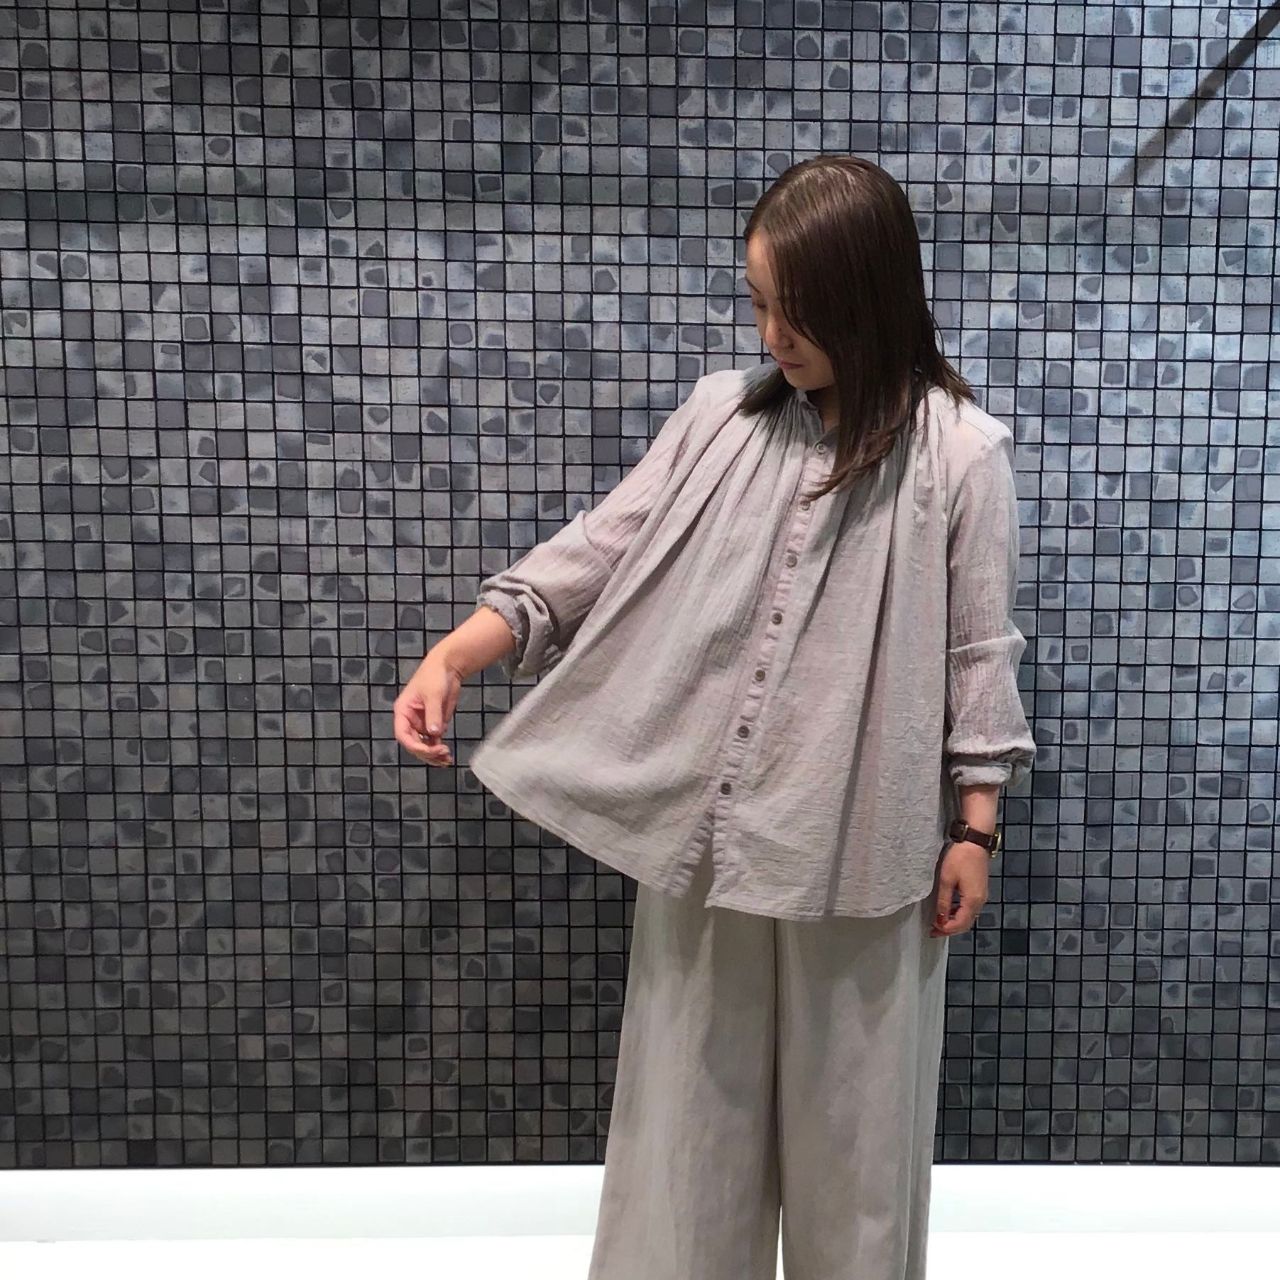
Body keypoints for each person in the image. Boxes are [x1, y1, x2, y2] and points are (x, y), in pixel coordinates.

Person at [393, 154, 1035, 1280]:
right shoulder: (719, 417)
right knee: (684, 1141)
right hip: (708, 832)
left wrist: (974, 826)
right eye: (759, 304)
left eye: (798, 311)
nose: (772, 335)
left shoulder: (961, 456)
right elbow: (600, 549)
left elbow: (977, 650)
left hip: (864, 842)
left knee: (859, 1154)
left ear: (867, 299)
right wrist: (459, 649)